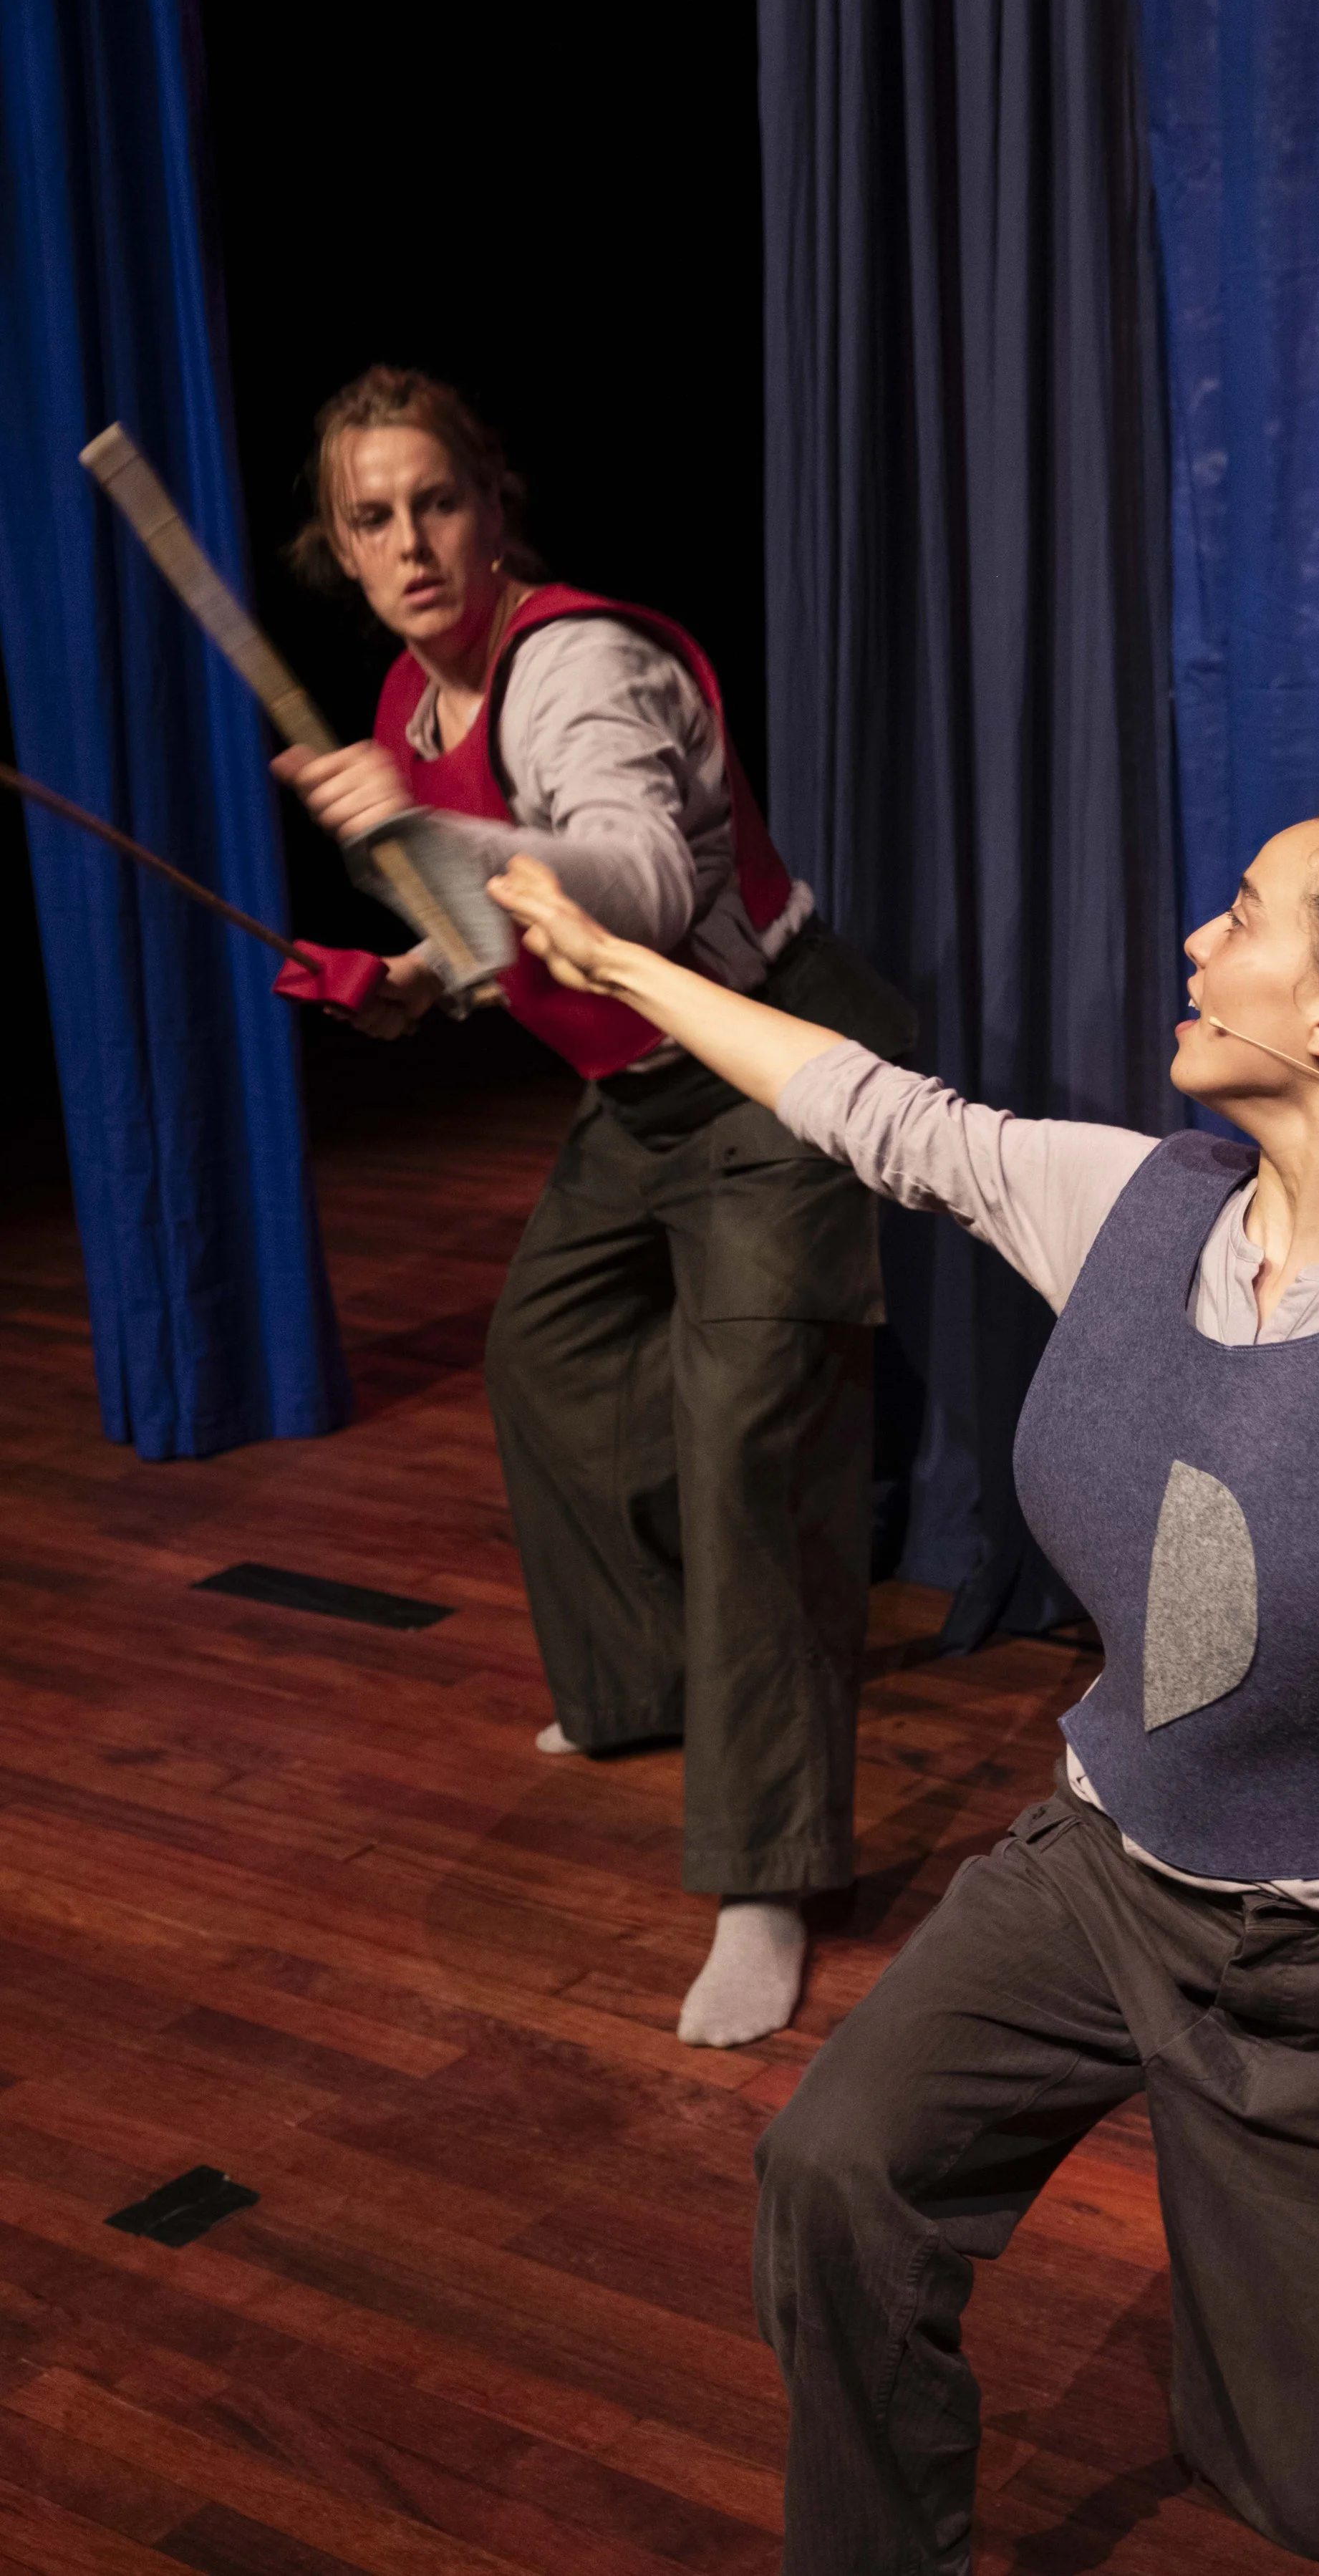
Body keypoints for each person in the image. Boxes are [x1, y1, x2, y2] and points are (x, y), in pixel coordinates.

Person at [488, 786, 1319, 2572]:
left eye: (1243, 913)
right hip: (1105, 1883)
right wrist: (624, 963)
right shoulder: (1133, 1205)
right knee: (832, 2173)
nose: (1194, 939)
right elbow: (872, 1112)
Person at [275, 367, 913, 2050]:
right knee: (545, 1362)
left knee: (747, 1452)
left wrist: (429, 831)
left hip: (775, 1065)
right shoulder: (416, 710)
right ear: (337, 551)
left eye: (436, 503)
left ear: (492, 508)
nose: (410, 544)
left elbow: (627, 874)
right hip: (637, 1097)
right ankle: (645, 1692)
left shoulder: (575, 666)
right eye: (370, 519)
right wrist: (419, 976)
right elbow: (508, 930)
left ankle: (770, 1874)